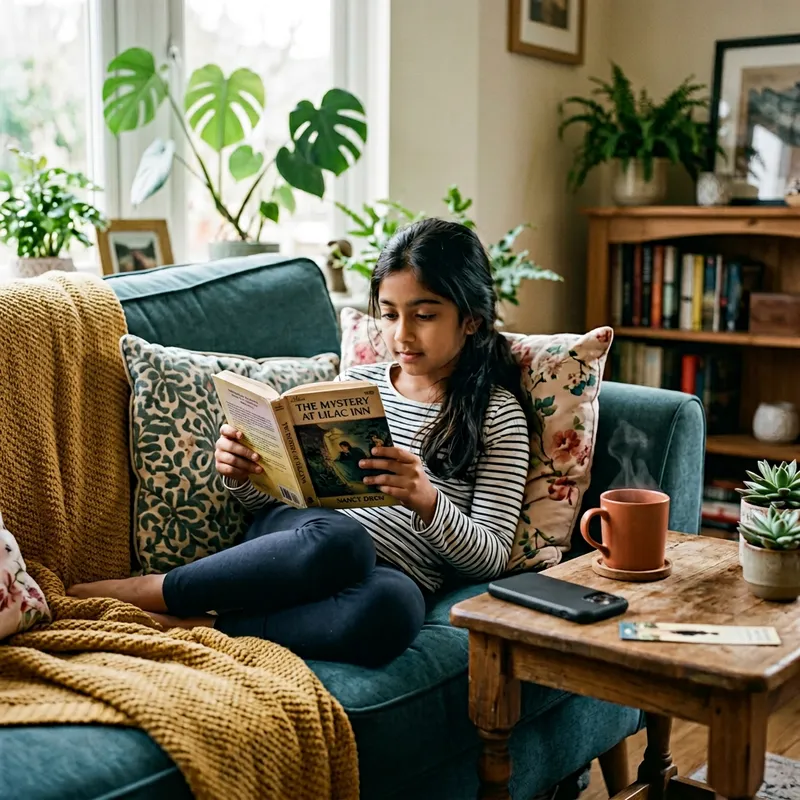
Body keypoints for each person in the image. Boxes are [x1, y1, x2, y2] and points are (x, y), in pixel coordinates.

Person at [68, 218, 532, 668]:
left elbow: (490, 558)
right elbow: (284, 498)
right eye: (389, 315)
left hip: (387, 575)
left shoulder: (496, 415)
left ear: (470, 320)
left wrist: (427, 500)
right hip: (305, 540)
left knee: (397, 607)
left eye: (424, 315)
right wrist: (243, 474)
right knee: (344, 540)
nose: (401, 334)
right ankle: (158, 588)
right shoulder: (356, 384)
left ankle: (201, 625)